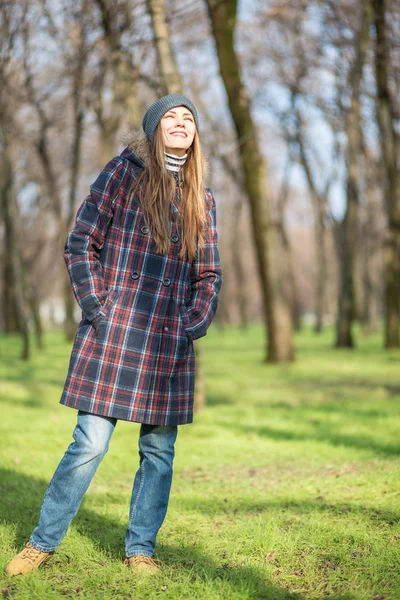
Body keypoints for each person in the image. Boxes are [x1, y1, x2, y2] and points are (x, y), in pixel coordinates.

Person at [5, 94, 223, 577]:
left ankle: (140, 549)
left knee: (159, 454)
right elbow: (81, 241)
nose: (182, 123)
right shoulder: (123, 173)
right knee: (89, 444)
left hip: (169, 342)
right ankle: (43, 542)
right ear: (154, 128)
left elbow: (209, 274)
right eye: (171, 116)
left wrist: (195, 322)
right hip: (115, 334)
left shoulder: (202, 197)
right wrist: (98, 307)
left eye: (189, 118)